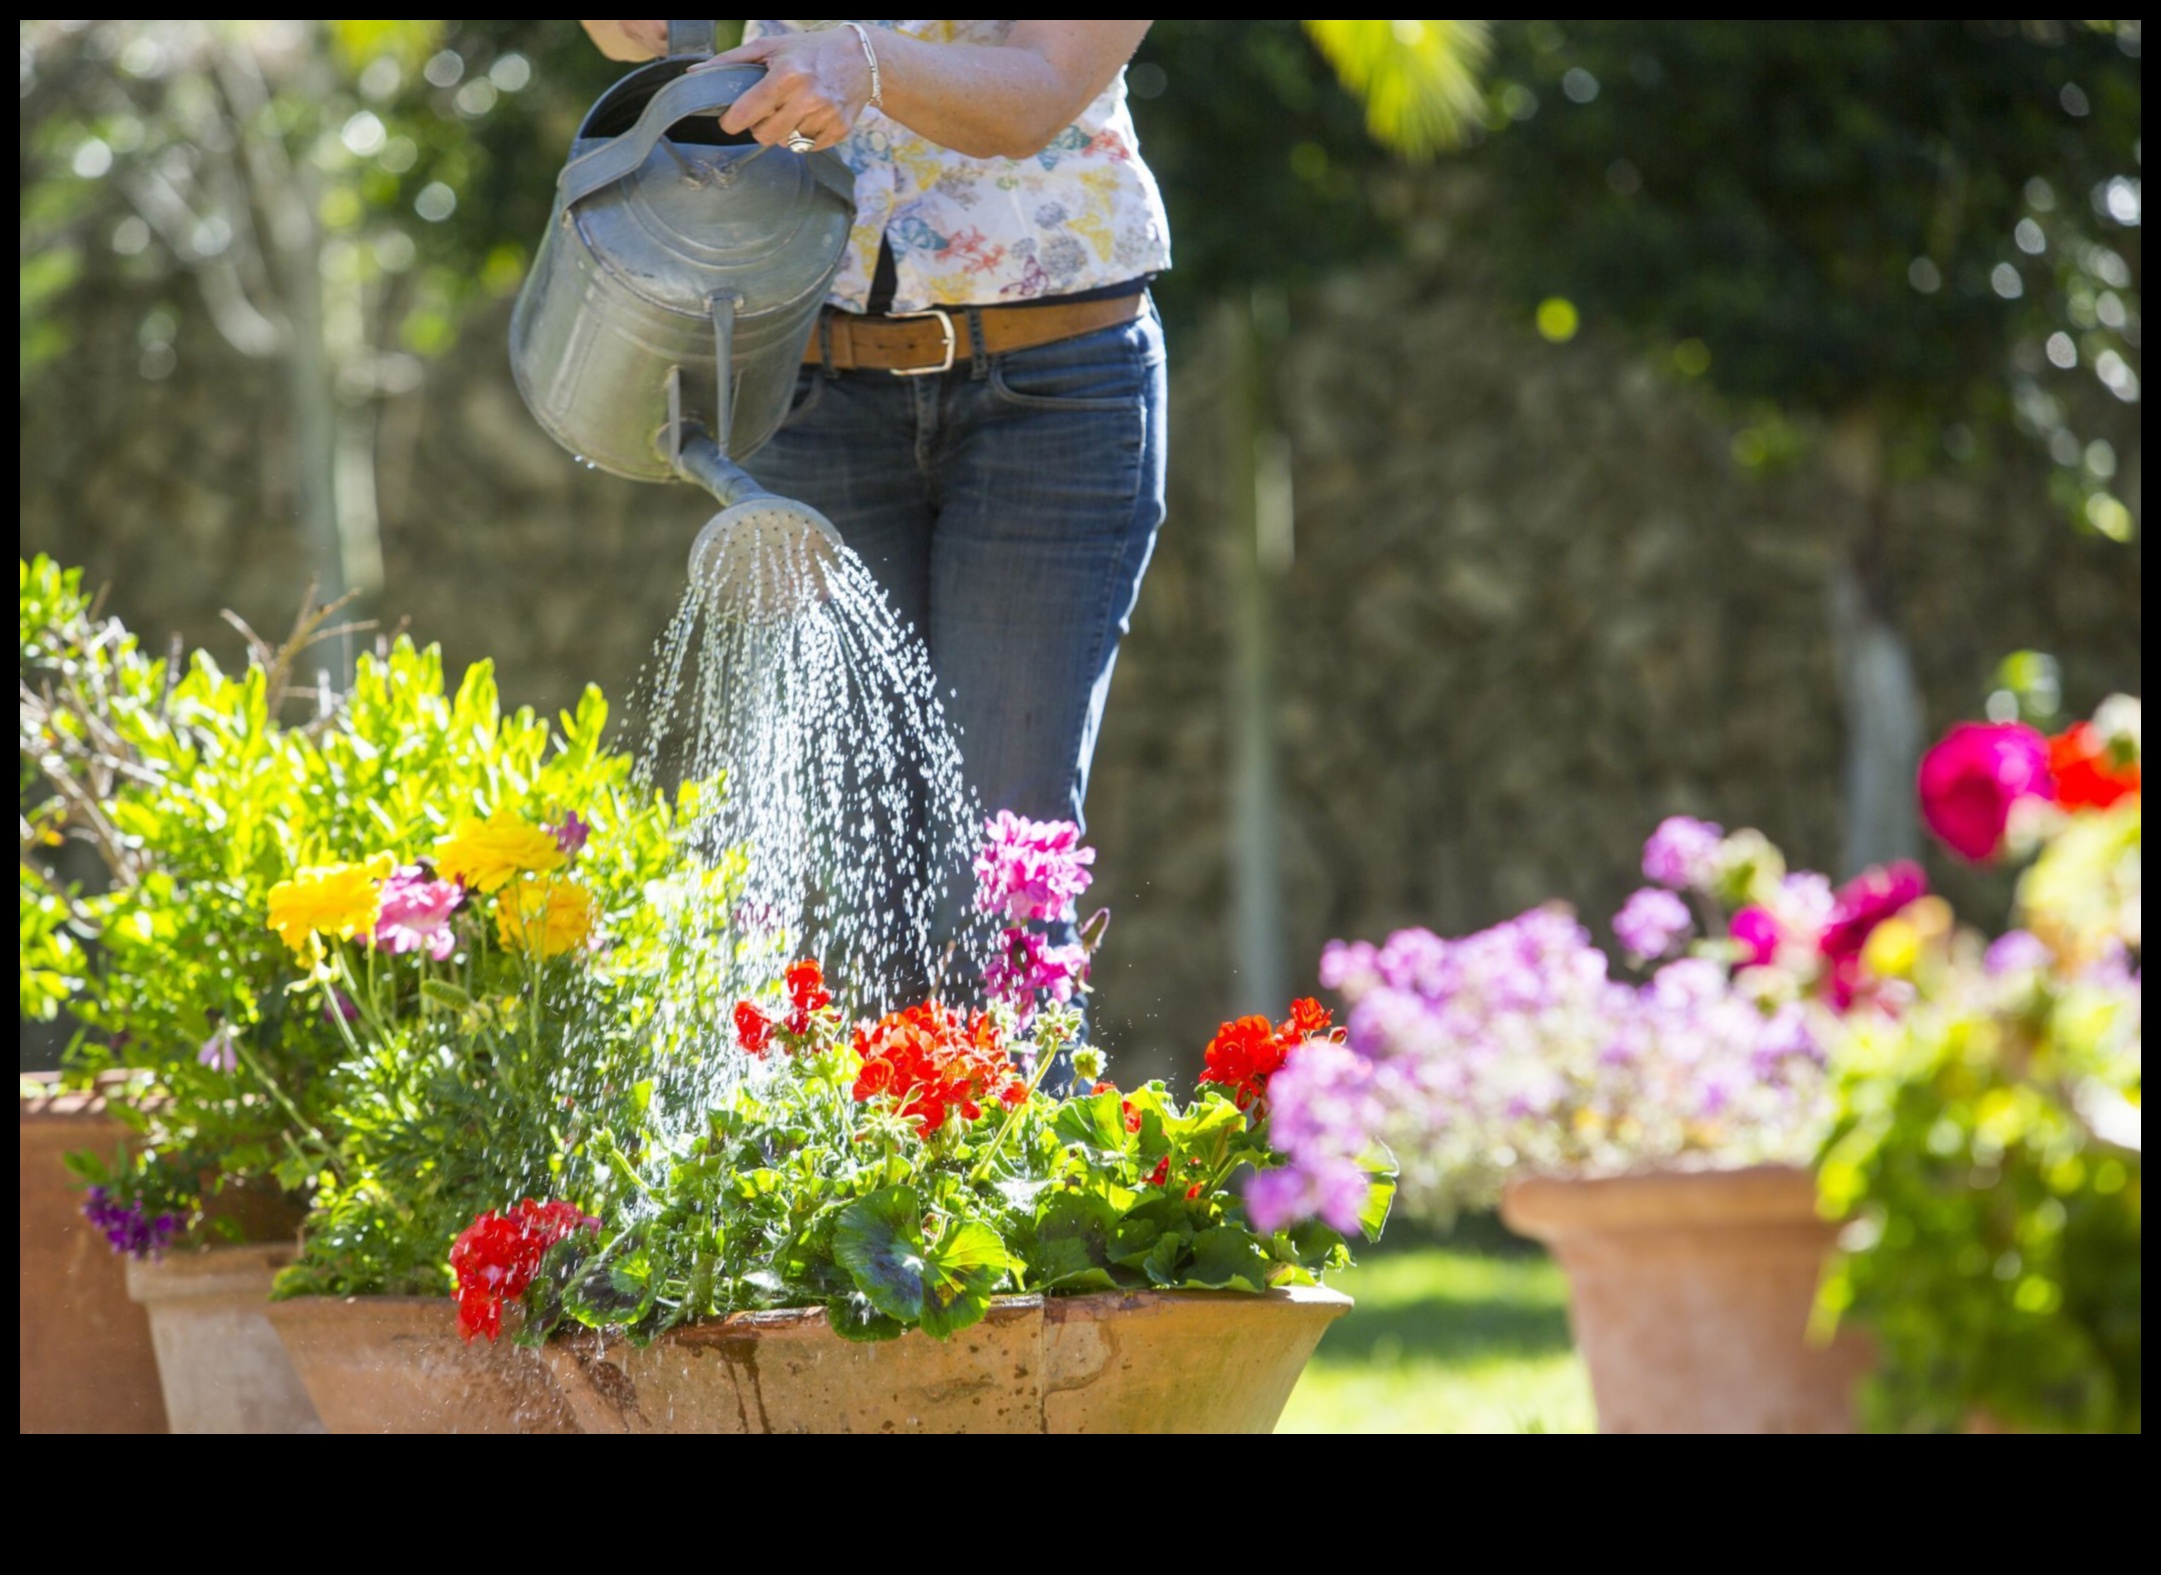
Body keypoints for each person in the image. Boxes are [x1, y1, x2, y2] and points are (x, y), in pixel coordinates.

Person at [583, 20, 1168, 840]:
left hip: (1050, 389)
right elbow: (631, 39)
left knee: (998, 869)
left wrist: (865, 61)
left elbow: (1036, 94)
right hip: (814, 383)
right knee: (846, 865)